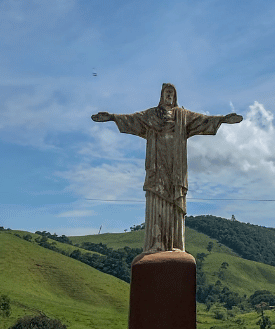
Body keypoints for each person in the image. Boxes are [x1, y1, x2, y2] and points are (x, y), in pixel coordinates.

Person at [92, 84, 241, 254]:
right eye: (166, 92)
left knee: (174, 203)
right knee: (156, 200)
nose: (169, 95)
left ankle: (176, 244)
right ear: (161, 95)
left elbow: (202, 120)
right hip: (156, 164)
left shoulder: (183, 116)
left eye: (172, 92)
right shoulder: (151, 115)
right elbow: (132, 119)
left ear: (175, 96)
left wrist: (222, 119)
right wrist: (112, 117)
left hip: (176, 166)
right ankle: (155, 243)